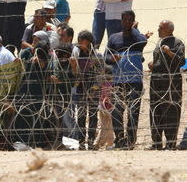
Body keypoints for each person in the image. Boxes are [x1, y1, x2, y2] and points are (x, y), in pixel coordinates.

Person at [105, 10, 147, 150]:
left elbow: (143, 41)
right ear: (121, 21)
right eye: (125, 20)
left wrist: (134, 29)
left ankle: (130, 141)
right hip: (118, 81)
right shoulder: (114, 38)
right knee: (117, 111)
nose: (127, 22)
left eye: (130, 20)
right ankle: (120, 139)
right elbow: (106, 58)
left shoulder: (137, 38)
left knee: (133, 111)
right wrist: (112, 59)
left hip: (135, 81)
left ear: (133, 21)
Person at [148, 20, 185, 150]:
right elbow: (160, 61)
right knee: (155, 111)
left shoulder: (177, 43)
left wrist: (169, 52)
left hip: (171, 83)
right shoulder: (159, 43)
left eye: (160, 28)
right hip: (156, 82)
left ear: (169, 30)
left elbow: (181, 61)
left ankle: (170, 144)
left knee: (171, 112)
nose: (158, 30)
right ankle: (156, 143)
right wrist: (152, 64)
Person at [71, 30, 103, 150]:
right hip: (81, 89)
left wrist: (94, 88)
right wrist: (74, 66)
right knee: (81, 116)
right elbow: (74, 74)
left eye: (82, 41)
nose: (79, 43)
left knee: (93, 115)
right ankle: (81, 140)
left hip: (94, 90)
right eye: (79, 41)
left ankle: (90, 141)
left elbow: (101, 74)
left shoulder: (97, 56)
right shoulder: (76, 55)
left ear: (89, 42)